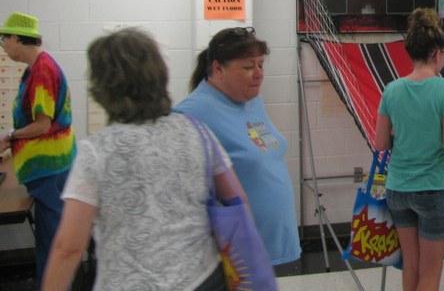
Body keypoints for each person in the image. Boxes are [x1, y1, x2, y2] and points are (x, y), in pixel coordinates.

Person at [42, 27, 245, 291]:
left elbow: (68, 247)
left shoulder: (97, 151)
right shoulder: (196, 130)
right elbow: (237, 199)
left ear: (103, 86)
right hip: (204, 278)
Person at [374, 7, 444, 291]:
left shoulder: (392, 89)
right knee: (430, 272)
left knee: (411, 265)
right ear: (437, 53)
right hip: (431, 189)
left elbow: (380, 144)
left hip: (398, 189)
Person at [174, 26, 301, 268]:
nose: (258, 74)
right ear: (218, 68)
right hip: (231, 252)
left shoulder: (251, 101)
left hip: (272, 242)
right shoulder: (190, 114)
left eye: (261, 65)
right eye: (248, 67)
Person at [0, 12, 76, 284]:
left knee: (53, 242)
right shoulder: (36, 68)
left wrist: (10, 136)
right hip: (51, 166)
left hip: (50, 167)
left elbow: (42, 125)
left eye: (4, 40)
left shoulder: (43, 71)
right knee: (49, 236)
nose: (4, 47)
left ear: (16, 38)